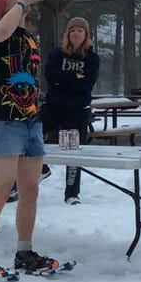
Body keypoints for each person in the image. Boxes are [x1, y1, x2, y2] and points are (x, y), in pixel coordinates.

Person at [0, 0, 61, 282]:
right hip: (4, 121)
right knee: (1, 188)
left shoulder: (27, 36)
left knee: (30, 188)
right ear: (0, 5)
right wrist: (19, 3)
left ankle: (25, 251)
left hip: (31, 121)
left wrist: (24, 0)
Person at [41, 16, 101, 205]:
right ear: (68, 34)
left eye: (80, 30)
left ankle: (72, 193)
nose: (76, 33)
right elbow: (50, 76)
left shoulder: (92, 57)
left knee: (73, 152)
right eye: (73, 30)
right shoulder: (57, 54)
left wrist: (64, 79)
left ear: (86, 35)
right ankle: (41, 169)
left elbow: (87, 84)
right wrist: (74, 77)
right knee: (31, 132)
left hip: (77, 110)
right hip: (53, 106)